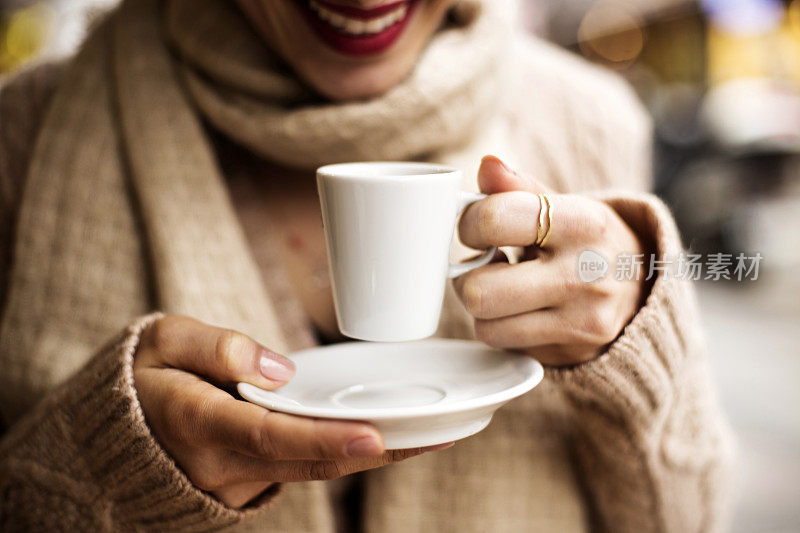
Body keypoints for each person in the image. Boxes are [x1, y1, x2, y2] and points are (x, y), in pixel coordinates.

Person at [0, 0, 733, 531]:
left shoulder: (589, 119)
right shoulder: (30, 129)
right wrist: (108, 465)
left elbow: (688, 518)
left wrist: (637, 339)